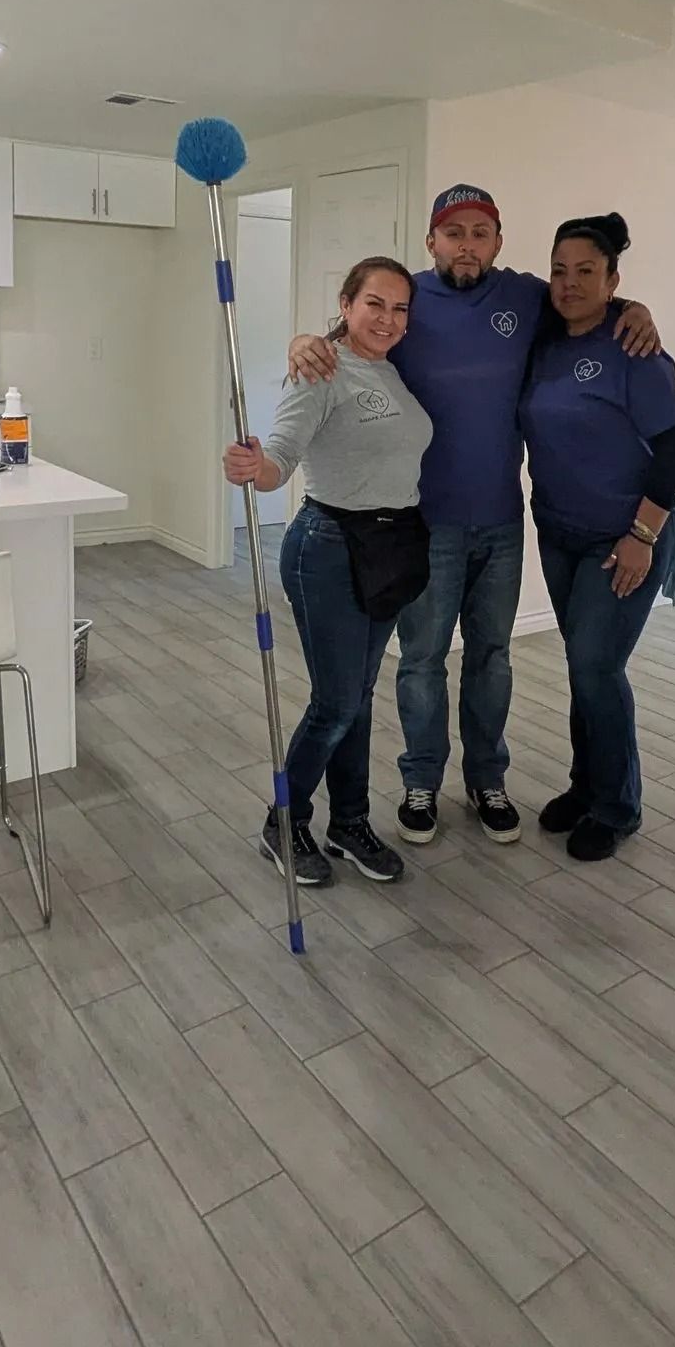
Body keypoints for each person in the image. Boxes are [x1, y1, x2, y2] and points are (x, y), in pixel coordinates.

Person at [287, 185, 660, 851]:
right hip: (421, 525)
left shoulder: (520, 297)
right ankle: (421, 782)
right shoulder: (406, 303)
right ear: (431, 241)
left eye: (480, 231)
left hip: (501, 521)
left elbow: (585, 301)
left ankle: (488, 779)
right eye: (452, 231)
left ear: (497, 240)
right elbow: (344, 338)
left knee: (491, 657)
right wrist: (304, 340)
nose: (466, 243)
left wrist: (636, 307)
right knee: (423, 658)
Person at [224, 256, 429, 888]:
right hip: (328, 547)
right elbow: (280, 457)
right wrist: (254, 468)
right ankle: (283, 823)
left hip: (387, 550)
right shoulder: (320, 370)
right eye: (375, 303)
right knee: (337, 702)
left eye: (400, 308)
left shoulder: (392, 370)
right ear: (346, 304)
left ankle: (349, 822)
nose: (388, 318)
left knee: (357, 700)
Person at [521, 212, 675, 861]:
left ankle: (618, 805)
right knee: (582, 665)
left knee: (596, 665)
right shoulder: (542, 339)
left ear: (612, 278)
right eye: (559, 270)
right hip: (559, 530)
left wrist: (643, 536)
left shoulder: (635, 347)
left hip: (624, 537)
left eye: (586, 271)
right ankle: (584, 784)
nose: (569, 283)